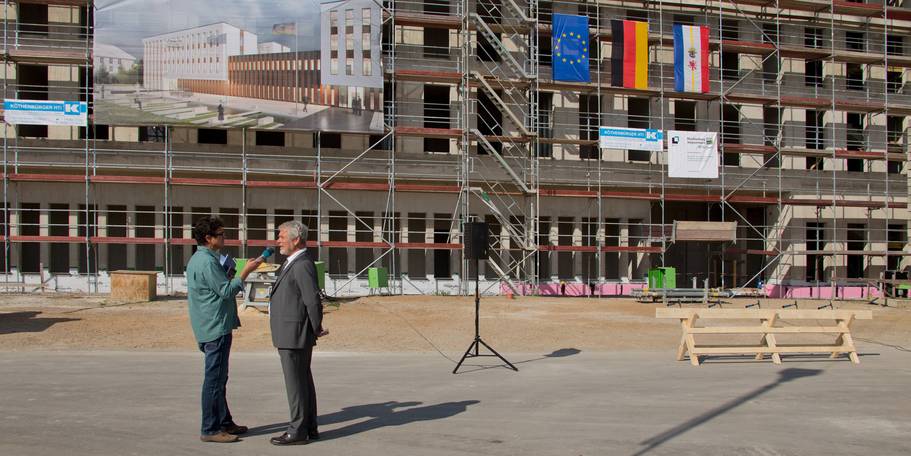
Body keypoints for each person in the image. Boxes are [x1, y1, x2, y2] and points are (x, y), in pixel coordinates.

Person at [186, 216, 263, 443]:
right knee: (214, 380)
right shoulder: (207, 262)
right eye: (220, 234)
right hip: (215, 327)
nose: (224, 237)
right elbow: (226, 292)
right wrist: (245, 272)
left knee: (219, 378)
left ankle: (224, 421)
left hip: (210, 324)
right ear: (208, 238)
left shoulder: (203, 259)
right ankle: (210, 428)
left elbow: (216, 287)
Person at [269, 220, 325, 446]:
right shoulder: (293, 262)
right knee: (302, 381)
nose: (278, 240)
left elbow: (312, 300)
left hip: (294, 333)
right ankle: (309, 426)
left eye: (282, 236)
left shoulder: (301, 264)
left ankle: (297, 430)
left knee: (295, 384)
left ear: (296, 239)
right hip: (291, 331)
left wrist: (316, 326)